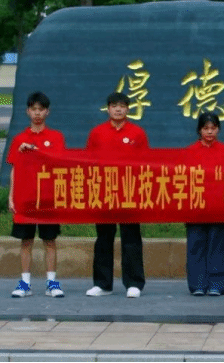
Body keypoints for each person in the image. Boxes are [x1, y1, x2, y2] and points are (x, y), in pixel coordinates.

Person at [85, 92, 149, 298]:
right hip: (104, 192)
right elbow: (88, 163)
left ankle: (134, 283)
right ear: (108, 109)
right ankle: (103, 284)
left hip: (129, 192)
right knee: (104, 238)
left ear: (128, 109)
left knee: (131, 238)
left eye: (122, 106)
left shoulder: (137, 133)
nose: (118, 109)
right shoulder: (97, 133)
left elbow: (146, 164)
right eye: (114, 106)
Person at [7, 91, 66, 298]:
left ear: (47, 112)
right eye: (34, 109)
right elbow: (14, 169)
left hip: (48, 198)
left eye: (41, 109)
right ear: (28, 111)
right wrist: (11, 196)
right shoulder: (19, 139)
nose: (37, 113)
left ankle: (52, 283)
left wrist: (36, 151)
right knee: (26, 241)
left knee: (50, 241)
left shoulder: (56, 137)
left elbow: (60, 163)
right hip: (26, 198)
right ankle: (25, 283)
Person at [186, 112, 224, 296]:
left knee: (219, 245)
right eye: (206, 128)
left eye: (213, 128)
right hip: (196, 206)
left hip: (219, 206)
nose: (210, 132)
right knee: (196, 244)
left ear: (218, 129)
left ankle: (217, 284)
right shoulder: (190, 151)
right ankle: (197, 284)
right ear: (199, 130)